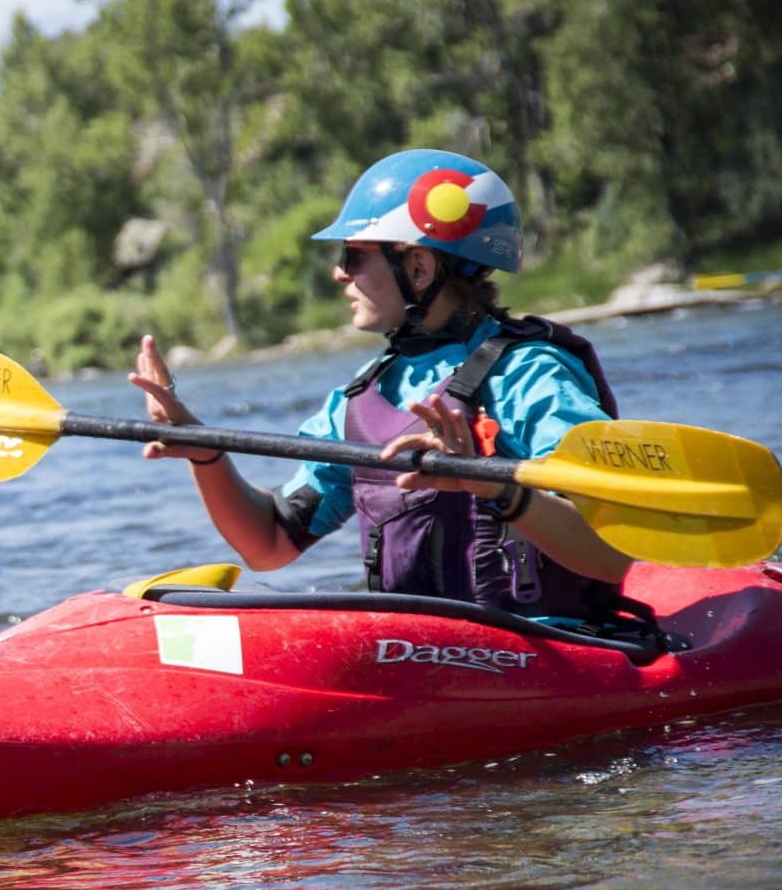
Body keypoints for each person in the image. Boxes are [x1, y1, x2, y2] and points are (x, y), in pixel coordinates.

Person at [129, 148, 639, 622]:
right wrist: (206, 453)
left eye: (353, 256)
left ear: (418, 266)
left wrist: (493, 485)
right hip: (416, 657)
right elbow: (269, 543)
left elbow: (616, 555)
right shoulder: (361, 400)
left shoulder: (529, 375)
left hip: (548, 651)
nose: (338, 274)